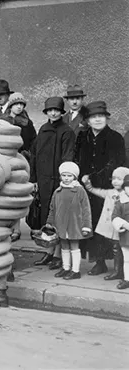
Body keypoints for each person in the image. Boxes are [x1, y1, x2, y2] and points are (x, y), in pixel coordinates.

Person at [75, 100, 126, 275]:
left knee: (110, 226)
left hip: (107, 189)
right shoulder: (83, 137)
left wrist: (94, 178)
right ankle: (99, 261)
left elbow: (115, 163)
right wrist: (81, 177)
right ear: (87, 121)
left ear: (107, 119)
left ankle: (119, 267)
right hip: (86, 188)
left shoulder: (115, 138)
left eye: (101, 116)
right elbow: (77, 159)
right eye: (93, 117)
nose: (98, 120)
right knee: (92, 223)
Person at [29, 97, 75, 268]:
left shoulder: (66, 131)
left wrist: (65, 180)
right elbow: (34, 155)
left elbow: (67, 157)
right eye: (50, 110)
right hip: (43, 181)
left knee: (59, 218)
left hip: (59, 182)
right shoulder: (43, 129)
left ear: (61, 112)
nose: (53, 113)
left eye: (56, 110)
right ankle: (48, 252)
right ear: (46, 112)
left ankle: (58, 255)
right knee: (46, 217)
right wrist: (34, 179)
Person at [47, 162, 92, 280]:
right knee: (64, 246)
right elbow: (52, 208)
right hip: (61, 224)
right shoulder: (58, 191)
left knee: (74, 246)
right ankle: (66, 268)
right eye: (64, 175)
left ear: (75, 177)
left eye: (70, 176)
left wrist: (86, 226)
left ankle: (75, 270)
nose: (66, 178)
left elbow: (86, 209)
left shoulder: (79, 191)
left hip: (74, 224)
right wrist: (50, 222)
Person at [84, 166, 129, 282]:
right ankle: (115, 269)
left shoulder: (126, 194)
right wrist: (88, 184)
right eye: (113, 178)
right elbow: (95, 191)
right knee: (112, 246)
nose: (115, 181)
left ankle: (118, 271)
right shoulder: (109, 192)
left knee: (118, 248)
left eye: (119, 179)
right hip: (107, 226)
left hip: (119, 227)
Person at [110, 175, 129, 290]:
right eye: (127, 187)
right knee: (127, 258)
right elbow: (115, 216)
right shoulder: (121, 202)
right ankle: (127, 279)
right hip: (126, 236)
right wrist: (123, 224)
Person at [4, 93, 36, 157]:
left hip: (25, 158)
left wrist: (29, 153)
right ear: (10, 106)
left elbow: (34, 140)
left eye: (21, 104)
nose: (19, 106)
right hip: (7, 157)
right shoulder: (4, 122)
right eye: (16, 104)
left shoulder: (27, 122)